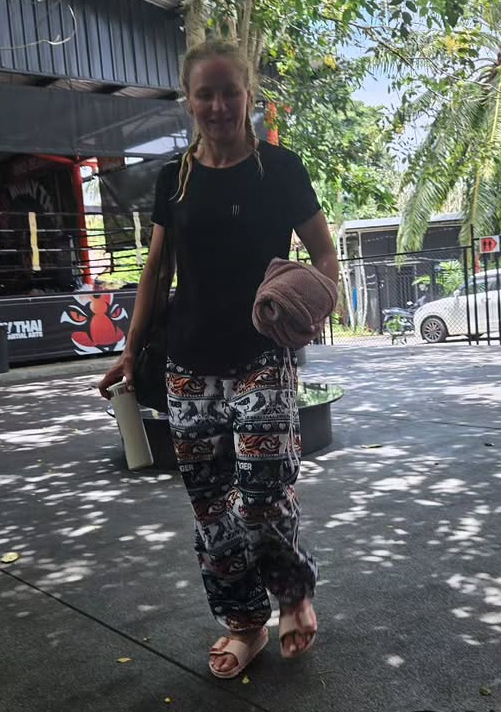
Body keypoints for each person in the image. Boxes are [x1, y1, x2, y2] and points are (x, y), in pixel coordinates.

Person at [99, 40, 339, 679]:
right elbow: (157, 270)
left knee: (261, 492)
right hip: (188, 362)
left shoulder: (280, 170)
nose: (218, 105)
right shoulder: (174, 178)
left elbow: (325, 255)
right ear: (188, 100)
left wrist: (311, 306)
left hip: (262, 352)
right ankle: (243, 622)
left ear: (248, 95)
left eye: (229, 91)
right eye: (204, 94)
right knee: (210, 506)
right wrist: (131, 351)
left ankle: (293, 594)